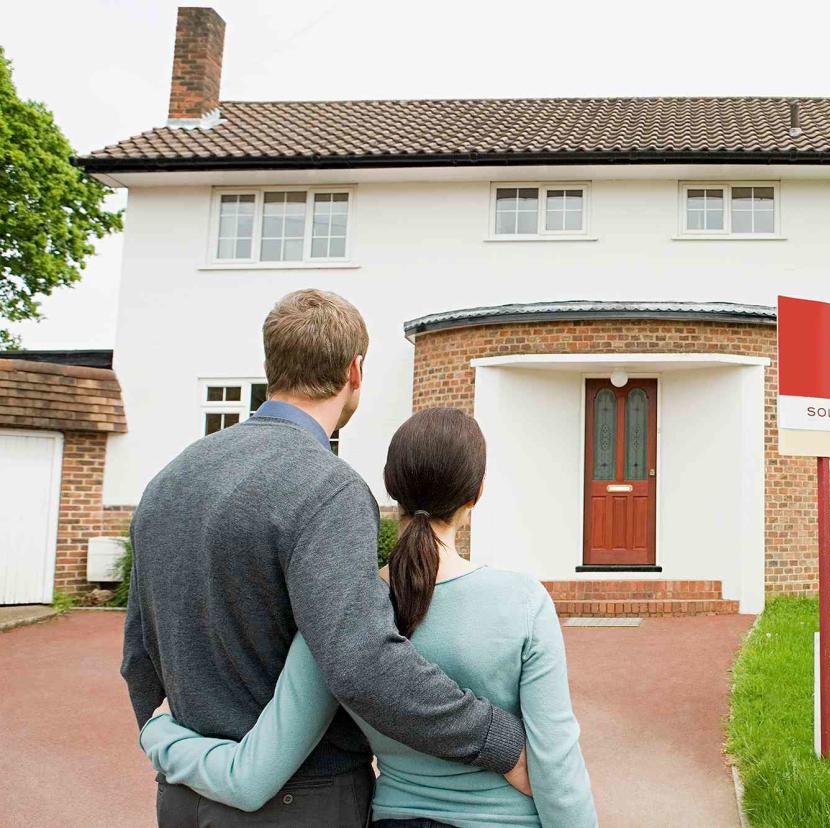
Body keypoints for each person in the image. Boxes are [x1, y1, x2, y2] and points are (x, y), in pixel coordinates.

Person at [122, 290, 529, 827]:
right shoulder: (326, 488)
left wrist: (170, 743)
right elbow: (362, 662)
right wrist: (500, 741)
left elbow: (138, 657)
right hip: (300, 801)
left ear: (273, 367)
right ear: (354, 370)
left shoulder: (169, 481)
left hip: (181, 796)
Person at [138, 407, 598, 827]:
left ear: (391, 488)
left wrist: (159, 734)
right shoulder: (522, 602)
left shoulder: (342, 612)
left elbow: (250, 777)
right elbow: (556, 767)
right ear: (476, 494)